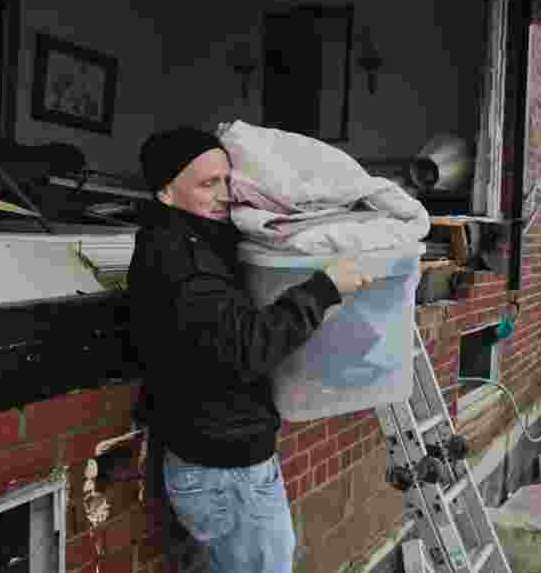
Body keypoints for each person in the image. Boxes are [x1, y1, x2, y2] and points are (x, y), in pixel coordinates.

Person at [127, 127, 370, 573]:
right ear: (165, 191)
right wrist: (324, 289)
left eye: (225, 181)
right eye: (207, 184)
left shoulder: (186, 242)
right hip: (226, 471)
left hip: (214, 457)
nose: (223, 195)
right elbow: (248, 346)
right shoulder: (185, 264)